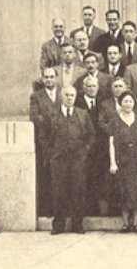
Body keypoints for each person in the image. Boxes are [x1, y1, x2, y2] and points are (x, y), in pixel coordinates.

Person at [42, 86, 95, 234]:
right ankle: (58, 225)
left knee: (78, 191)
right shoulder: (52, 115)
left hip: (78, 161)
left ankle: (77, 224)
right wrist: (51, 153)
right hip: (58, 160)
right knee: (59, 192)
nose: (69, 98)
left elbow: (91, 135)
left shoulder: (83, 114)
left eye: (72, 95)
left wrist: (84, 151)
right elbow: (44, 136)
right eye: (67, 95)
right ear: (61, 96)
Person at [109, 91, 137, 233]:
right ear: (120, 103)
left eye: (130, 101)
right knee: (124, 191)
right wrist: (113, 162)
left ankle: (136, 223)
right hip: (122, 160)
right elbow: (112, 141)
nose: (128, 104)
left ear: (134, 104)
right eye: (125, 101)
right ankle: (126, 223)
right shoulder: (115, 120)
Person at [29, 67, 60, 216]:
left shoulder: (63, 93)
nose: (49, 80)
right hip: (45, 140)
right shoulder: (37, 96)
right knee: (47, 174)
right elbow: (35, 116)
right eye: (46, 77)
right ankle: (48, 209)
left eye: (52, 77)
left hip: (62, 139)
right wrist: (51, 122)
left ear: (56, 78)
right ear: (42, 79)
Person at [97, 77, 129, 215]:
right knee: (110, 178)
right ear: (111, 89)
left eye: (120, 86)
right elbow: (101, 122)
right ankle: (111, 209)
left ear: (126, 88)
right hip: (110, 145)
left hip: (127, 147)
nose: (118, 89)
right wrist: (114, 130)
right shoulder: (105, 104)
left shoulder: (131, 102)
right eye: (115, 86)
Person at [74, 76, 103, 215]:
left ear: (98, 87)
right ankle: (85, 209)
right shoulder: (77, 103)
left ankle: (97, 208)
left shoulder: (102, 102)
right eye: (89, 86)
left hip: (100, 149)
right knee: (82, 178)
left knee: (98, 178)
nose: (92, 89)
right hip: (82, 148)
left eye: (94, 86)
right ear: (84, 88)